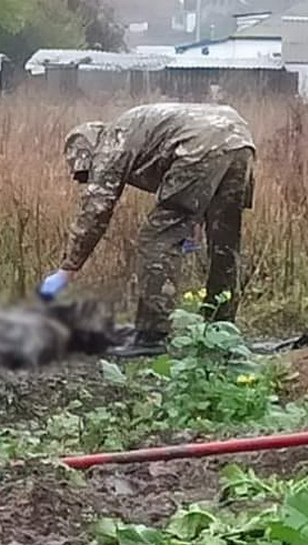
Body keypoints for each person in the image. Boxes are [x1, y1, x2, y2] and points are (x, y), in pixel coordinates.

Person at [38, 103, 256, 356]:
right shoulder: (132, 130)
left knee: (156, 240)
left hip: (198, 146)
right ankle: (221, 328)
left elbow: (96, 209)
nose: (89, 177)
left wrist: (68, 268)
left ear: (87, 151)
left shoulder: (111, 142)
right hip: (239, 140)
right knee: (225, 244)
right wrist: (193, 220)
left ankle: (152, 335)